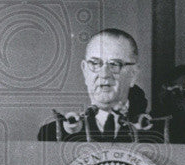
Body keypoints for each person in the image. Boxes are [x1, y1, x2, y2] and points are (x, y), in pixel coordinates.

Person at [37, 29, 166, 142]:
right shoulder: (52, 135)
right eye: (95, 63)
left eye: (114, 64)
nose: (104, 74)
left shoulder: (159, 135)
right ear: (85, 71)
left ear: (133, 74)